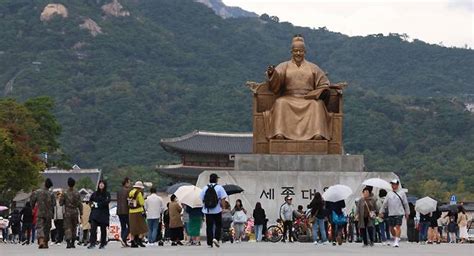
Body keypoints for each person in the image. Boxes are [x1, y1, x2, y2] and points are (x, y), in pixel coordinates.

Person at [264, 34, 331, 140]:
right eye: (296, 51)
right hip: (289, 97)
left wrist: (320, 91)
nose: (298, 53)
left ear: (305, 52)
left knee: (317, 104)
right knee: (280, 102)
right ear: (292, 52)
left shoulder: (313, 68)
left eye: (301, 51)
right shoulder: (283, 66)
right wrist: (273, 73)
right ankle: (279, 133)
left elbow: (324, 83)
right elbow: (276, 81)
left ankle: (317, 134)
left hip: (308, 98)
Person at [200, 173, 228, 248]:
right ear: (216, 179)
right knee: (218, 225)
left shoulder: (205, 187)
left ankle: (209, 242)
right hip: (217, 209)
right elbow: (223, 199)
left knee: (209, 226)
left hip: (207, 210)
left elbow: (202, 198)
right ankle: (216, 238)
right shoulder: (219, 188)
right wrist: (223, 208)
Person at [379, 179, 409, 248]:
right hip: (391, 213)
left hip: (399, 213)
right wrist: (381, 212)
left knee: (398, 226)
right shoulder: (389, 194)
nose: (393, 186)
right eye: (392, 184)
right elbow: (384, 204)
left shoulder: (402, 193)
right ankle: (396, 237)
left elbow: (405, 204)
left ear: (397, 185)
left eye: (394, 184)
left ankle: (396, 241)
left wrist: (407, 212)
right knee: (391, 228)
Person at [30, 178, 55, 249]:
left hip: (40, 212)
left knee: (40, 227)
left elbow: (32, 201)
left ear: (44, 183)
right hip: (48, 213)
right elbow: (54, 204)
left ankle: (41, 240)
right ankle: (46, 242)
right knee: (47, 228)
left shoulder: (37, 192)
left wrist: (32, 208)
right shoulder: (51, 194)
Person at [88, 180, 111, 249]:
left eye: (102, 184)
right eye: (100, 184)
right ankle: (92, 243)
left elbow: (107, 201)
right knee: (93, 228)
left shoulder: (107, 194)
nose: (101, 185)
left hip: (103, 214)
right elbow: (90, 201)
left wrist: (98, 204)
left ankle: (102, 243)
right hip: (95, 213)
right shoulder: (94, 194)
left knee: (103, 229)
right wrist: (92, 204)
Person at [60, 177, 83, 249]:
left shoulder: (65, 193)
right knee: (74, 227)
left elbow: (61, 203)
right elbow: (80, 204)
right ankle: (73, 242)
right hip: (75, 212)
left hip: (67, 212)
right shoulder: (77, 193)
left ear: (68, 184)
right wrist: (81, 212)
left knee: (67, 227)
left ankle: (68, 242)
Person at [128, 181, 148, 248]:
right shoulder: (139, 193)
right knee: (142, 227)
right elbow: (142, 203)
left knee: (133, 228)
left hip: (131, 211)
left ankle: (133, 242)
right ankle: (139, 240)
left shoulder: (130, 192)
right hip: (138, 212)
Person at [116, 177, 131, 247]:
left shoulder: (119, 191)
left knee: (123, 226)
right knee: (130, 226)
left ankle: (123, 241)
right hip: (126, 210)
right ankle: (123, 238)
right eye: (129, 182)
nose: (130, 184)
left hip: (119, 210)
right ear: (126, 183)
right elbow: (129, 201)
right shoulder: (128, 191)